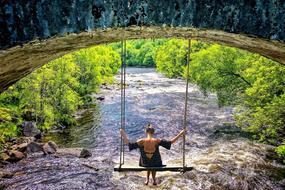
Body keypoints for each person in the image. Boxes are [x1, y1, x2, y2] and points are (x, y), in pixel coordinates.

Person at [120, 123, 186, 186]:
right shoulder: (157, 141)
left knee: (147, 159)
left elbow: (129, 144)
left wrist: (123, 134)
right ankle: (153, 179)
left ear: (146, 132)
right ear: (153, 132)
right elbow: (170, 142)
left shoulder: (141, 141)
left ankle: (147, 179)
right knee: (154, 159)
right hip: (156, 163)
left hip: (145, 163)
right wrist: (180, 134)